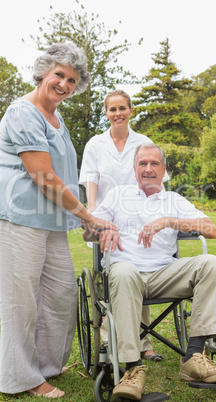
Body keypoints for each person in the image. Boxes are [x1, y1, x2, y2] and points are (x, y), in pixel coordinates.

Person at [0, 42, 117, 399]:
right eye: (59, 75)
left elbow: (65, 174)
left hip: (51, 221)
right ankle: (20, 377)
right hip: (20, 219)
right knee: (21, 300)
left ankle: (46, 366)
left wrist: (79, 217)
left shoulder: (56, 115)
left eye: (72, 79)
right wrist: (88, 215)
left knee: (61, 293)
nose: (65, 84)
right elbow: (45, 177)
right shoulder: (24, 111)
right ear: (43, 72)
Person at [84, 143, 216, 400]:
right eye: (142, 163)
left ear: (164, 170)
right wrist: (101, 227)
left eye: (154, 164)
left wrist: (168, 221)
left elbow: (211, 229)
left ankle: (194, 357)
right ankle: (132, 368)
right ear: (134, 169)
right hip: (125, 274)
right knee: (123, 273)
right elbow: (87, 229)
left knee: (212, 263)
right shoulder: (117, 195)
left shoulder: (173, 200)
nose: (148, 169)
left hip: (164, 275)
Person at [79, 89, 169, 361]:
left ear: (131, 111)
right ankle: (110, 339)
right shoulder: (96, 144)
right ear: (106, 113)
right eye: (112, 109)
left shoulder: (142, 141)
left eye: (122, 108)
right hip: (108, 217)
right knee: (113, 276)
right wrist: (93, 212)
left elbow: (155, 178)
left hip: (137, 217)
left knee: (141, 268)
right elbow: (91, 178)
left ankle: (145, 342)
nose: (117, 113)